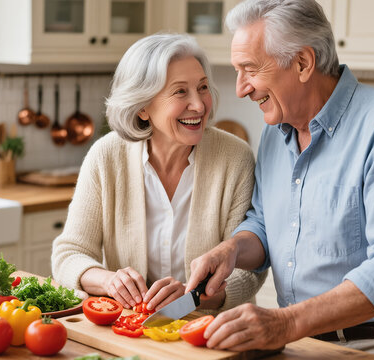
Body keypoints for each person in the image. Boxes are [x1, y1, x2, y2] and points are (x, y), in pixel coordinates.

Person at [185, 1, 374, 359]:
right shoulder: (276, 133)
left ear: (303, 63)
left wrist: (285, 323)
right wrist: (231, 249)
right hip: (301, 343)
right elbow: (265, 223)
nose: (240, 88)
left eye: (249, 69)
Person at [51, 33, 265, 313]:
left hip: (211, 332)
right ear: (142, 107)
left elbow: (249, 270)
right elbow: (68, 255)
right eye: (180, 92)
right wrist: (110, 282)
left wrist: (190, 300)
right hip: (130, 331)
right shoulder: (106, 156)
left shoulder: (235, 158)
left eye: (202, 87)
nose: (199, 105)